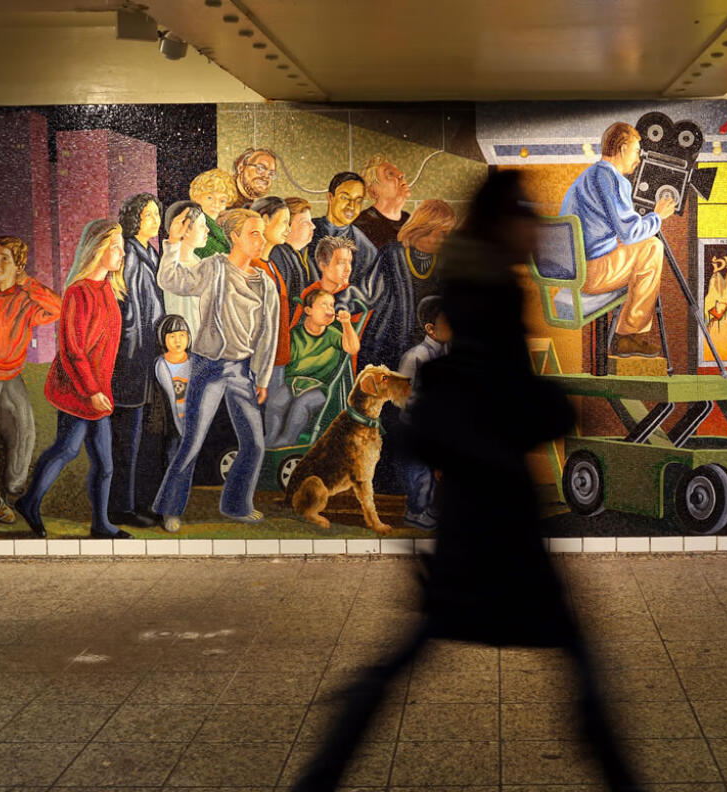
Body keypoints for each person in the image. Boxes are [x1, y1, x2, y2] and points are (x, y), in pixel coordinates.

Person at [288, 171, 641, 792]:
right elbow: (490, 387)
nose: (536, 228)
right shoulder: (487, 289)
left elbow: (470, 389)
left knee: (421, 646)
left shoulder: (470, 278)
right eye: (525, 215)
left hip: (478, 510)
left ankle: (327, 764)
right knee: (571, 653)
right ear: (505, 222)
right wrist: (551, 412)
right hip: (495, 512)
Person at [153, 207, 279, 533]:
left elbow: (268, 335)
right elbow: (170, 279)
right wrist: (171, 242)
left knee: (254, 443)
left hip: (241, 372)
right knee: (192, 442)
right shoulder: (214, 268)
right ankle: (170, 509)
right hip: (207, 367)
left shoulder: (266, 284)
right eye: (253, 233)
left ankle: (236, 504)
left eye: (262, 233)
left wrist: (262, 377)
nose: (260, 239)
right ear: (234, 236)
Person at [14, 220, 131, 540]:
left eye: (121, 246)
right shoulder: (78, 292)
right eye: (116, 246)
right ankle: (29, 503)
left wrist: (101, 389)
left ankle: (101, 525)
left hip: (97, 392)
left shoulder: (110, 287)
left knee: (105, 463)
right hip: (76, 391)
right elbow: (72, 350)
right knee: (66, 450)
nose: (122, 253)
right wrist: (91, 390)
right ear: (97, 250)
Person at [0, 235, 62, 524]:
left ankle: (15, 490)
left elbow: (58, 308)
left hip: (12, 375)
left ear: (18, 265)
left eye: (4, 258)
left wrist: (27, 282)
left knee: (25, 431)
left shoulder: (26, 297)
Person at [560, 121, 675, 358]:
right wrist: (657, 216)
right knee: (653, 247)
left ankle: (627, 334)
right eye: (635, 152)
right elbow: (630, 232)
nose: (638, 159)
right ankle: (629, 336)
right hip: (593, 273)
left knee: (638, 248)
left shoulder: (587, 176)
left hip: (575, 271)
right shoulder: (613, 179)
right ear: (623, 149)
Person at [109, 193, 165, 528]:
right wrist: (130, 357)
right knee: (127, 439)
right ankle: (121, 507)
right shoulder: (129, 251)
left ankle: (143, 501)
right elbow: (127, 310)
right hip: (133, 358)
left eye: (157, 215)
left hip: (150, 354)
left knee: (146, 437)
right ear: (134, 219)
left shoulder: (152, 252)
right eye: (149, 216)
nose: (155, 221)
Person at [358, 199, 456, 371]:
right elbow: (367, 292)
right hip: (389, 340)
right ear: (425, 229)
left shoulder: (444, 260)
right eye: (443, 233)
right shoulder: (392, 254)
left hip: (428, 338)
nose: (447, 239)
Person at [267, 289, 361, 448]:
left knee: (302, 405)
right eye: (324, 305)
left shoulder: (332, 334)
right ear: (308, 310)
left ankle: (287, 442)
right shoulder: (295, 334)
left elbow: (352, 348)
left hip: (319, 388)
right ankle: (270, 439)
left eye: (332, 306)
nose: (330, 310)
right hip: (293, 383)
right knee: (277, 403)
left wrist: (346, 324)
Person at [396, 295, 450, 529]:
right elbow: (403, 397)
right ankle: (416, 512)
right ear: (431, 328)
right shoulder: (415, 356)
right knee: (421, 475)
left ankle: (433, 510)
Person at [248, 196, 297, 447]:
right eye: (284, 222)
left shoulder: (272, 266)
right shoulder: (252, 267)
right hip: (260, 361)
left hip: (277, 358)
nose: (288, 229)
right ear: (264, 220)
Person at [309, 171, 378, 284]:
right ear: (330, 197)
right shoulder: (307, 232)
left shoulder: (365, 248)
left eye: (358, 201)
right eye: (345, 198)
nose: (352, 206)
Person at [290, 235, 369, 332]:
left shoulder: (355, 298)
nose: (348, 269)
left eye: (349, 262)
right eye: (341, 263)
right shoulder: (309, 292)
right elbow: (293, 332)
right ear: (323, 266)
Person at [146, 314, 193, 466]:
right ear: (163, 339)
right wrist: (181, 428)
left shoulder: (194, 363)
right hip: (171, 425)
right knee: (172, 457)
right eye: (172, 336)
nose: (178, 340)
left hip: (191, 422)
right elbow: (171, 401)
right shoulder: (161, 365)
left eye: (182, 335)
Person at [161, 200, 210, 341]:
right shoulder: (173, 269)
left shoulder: (197, 262)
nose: (207, 230)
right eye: (202, 226)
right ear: (185, 230)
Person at [353, 154, 410, 250]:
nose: (401, 174)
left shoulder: (409, 221)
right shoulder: (361, 226)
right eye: (390, 174)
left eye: (399, 172)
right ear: (373, 190)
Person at [269, 196, 315, 297]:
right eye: (305, 223)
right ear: (287, 226)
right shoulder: (276, 255)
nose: (313, 226)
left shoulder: (304, 255)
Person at [189, 168, 235, 259]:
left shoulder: (225, 226)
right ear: (197, 197)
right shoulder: (194, 227)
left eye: (222, 200)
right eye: (210, 198)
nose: (216, 204)